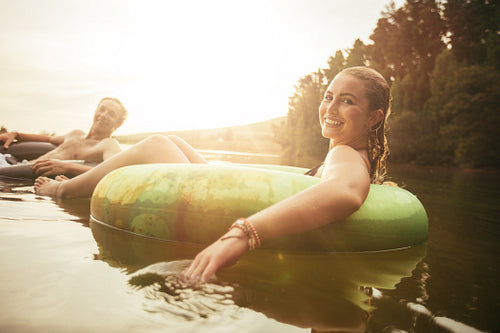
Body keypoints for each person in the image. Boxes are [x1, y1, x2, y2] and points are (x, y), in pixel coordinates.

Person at [34, 66, 391, 282]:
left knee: (156, 143)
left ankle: (62, 192)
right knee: (171, 141)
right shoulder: (352, 153)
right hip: (235, 196)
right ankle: (71, 180)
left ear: (374, 117)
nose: (330, 107)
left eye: (347, 101)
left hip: (237, 214)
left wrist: (241, 233)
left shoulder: (346, 153)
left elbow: (344, 192)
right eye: (329, 96)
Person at [0, 97, 127, 177]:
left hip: (20, 174)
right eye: (102, 109)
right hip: (12, 163)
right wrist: (16, 134)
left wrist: (66, 167)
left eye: (111, 114)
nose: (103, 115)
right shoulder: (76, 134)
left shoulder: (108, 144)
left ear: (118, 124)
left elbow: (113, 171)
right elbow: (48, 139)